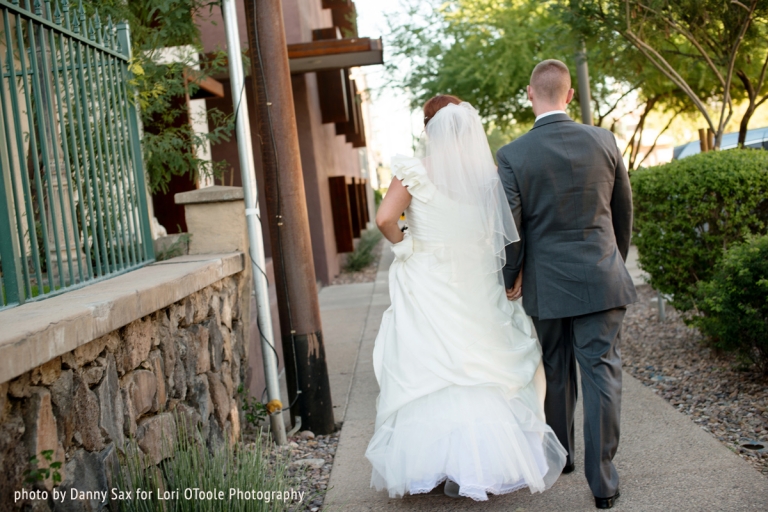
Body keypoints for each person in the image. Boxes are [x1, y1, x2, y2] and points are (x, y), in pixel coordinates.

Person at [365, 95, 567, 501]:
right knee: (484, 364)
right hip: (478, 280)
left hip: (429, 278)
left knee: (430, 365)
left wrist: (406, 247)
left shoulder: (415, 171)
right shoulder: (489, 175)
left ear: (429, 128)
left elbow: (385, 219)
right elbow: (507, 229)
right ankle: (488, 463)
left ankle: (429, 465)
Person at [497, 59, 636, 510]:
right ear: (570, 95)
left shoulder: (513, 155)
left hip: (547, 283)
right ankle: (604, 483)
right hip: (601, 275)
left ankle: (564, 458)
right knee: (602, 374)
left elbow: (511, 230)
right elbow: (623, 213)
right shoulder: (604, 140)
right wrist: (613, 261)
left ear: (529, 93)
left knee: (556, 371)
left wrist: (510, 275)